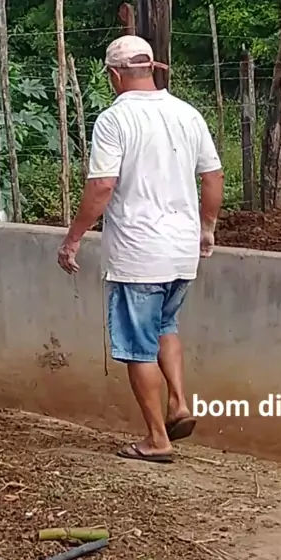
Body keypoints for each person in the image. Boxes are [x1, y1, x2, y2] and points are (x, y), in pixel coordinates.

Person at [57, 35, 224, 463]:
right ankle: (178, 402)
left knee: (137, 346)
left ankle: (156, 439)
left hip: (138, 252)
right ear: (152, 68)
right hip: (181, 251)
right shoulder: (187, 113)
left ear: (114, 75)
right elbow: (212, 177)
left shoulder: (114, 120)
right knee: (166, 326)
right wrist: (206, 230)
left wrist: (73, 238)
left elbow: (102, 186)